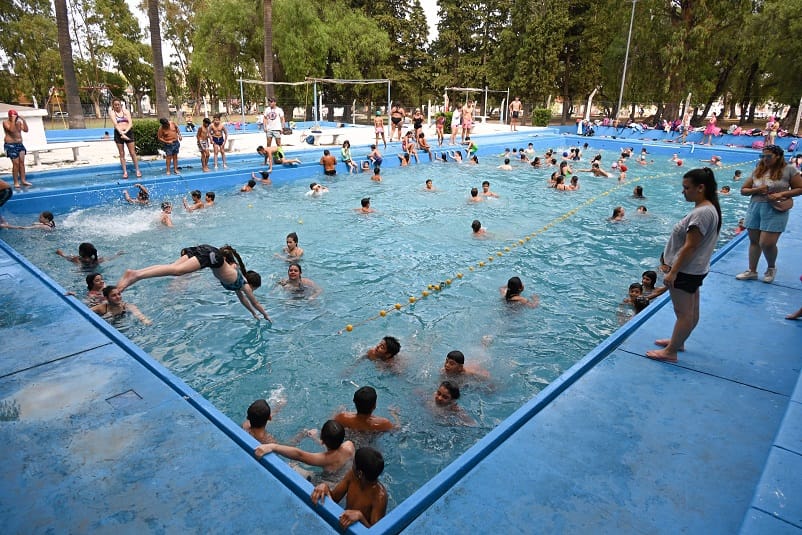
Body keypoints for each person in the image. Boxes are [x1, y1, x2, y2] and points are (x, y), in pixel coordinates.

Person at [646, 167, 721, 362]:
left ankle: (671, 352)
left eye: (686, 187)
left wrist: (673, 272)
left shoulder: (703, 212)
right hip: (694, 269)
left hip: (686, 271)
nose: (683, 191)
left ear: (701, 187)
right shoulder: (708, 208)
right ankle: (677, 342)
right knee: (691, 310)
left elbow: (690, 246)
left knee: (684, 313)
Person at [116, 244, 271, 321]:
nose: (252, 292)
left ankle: (135, 273)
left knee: (174, 268)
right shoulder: (244, 284)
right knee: (177, 271)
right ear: (252, 285)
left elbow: (243, 300)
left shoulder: (239, 284)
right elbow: (254, 302)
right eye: (253, 289)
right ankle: (136, 275)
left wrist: (253, 314)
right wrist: (265, 315)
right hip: (211, 256)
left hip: (208, 252)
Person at [735, 144, 802, 283]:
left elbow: (800, 188)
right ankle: (752, 270)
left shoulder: (789, 169)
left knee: (766, 243)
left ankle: (771, 267)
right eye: (762, 156)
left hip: (775, 209)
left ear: (778, 156)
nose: (765, 159)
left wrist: (781, 194)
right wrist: (757, 190)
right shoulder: (758, 170)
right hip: (755, 208)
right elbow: (744, 190)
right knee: (754, 241)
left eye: (768, 156)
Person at [254, 420, 355, 483]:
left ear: (323, 440)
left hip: (329, 483)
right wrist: (316, 439)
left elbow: (299, 455)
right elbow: (335, 451)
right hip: (345, 478)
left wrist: (273, 446)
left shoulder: (324, 459)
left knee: (292, 465)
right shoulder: (349, 446)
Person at [311, 447, 387, 529]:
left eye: (354, 463)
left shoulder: (379, 497)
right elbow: (334, 498)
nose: (352, 465)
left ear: (360, 473)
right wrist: (324, 487)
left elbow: (375, 531)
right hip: (344, 521)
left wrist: (360, 517)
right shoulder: (352, 476)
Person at [109, 99, 141, 179]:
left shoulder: (126, 112)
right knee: (121, 153)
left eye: (118, 104)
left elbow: (130, 123)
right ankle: (125, 172)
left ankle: (137, 170)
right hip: (118, 133)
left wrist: (125, 132)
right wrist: (122, 133)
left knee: (132, 152)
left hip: (128, 132)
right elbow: (116, 124)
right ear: (113, 106)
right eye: (115, 105)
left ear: (121, 105)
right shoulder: (112, 113)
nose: (117, 106)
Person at [3, 109, 31, 188]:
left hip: (20, 145)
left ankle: (23, 180)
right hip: (10, 145)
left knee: (21, 163)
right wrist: (13, 120)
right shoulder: (5, 122)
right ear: (10, 117)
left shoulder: (19, 122)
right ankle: (16, 182)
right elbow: (11, 130)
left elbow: (26, 130)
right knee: (16, 164)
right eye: (13, 117)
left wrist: (24, 120)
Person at [56, 242, 121, 267]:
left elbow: (79, 268)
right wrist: (117, 254)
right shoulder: (97, 260)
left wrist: (60, 253)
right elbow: (110, 258)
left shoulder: (76, 259)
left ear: (81, 252)